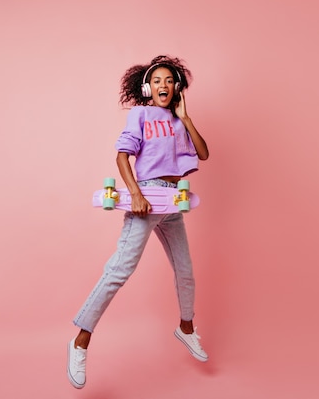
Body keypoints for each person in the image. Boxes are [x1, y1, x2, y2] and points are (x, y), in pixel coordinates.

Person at [67, 55, 210, 389]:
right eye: (157, 80)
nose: (163, 85)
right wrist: (135, 194)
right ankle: (80, 341)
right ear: (148, 87)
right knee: (120, 270)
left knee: (185, 270)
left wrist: (186, 117)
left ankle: (186, 328)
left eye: (169, 81)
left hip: (173, 201)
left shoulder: (179, 121)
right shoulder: (140, 114)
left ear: (178, 88)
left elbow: (203, 154)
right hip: (148, 197)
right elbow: (122, 155)